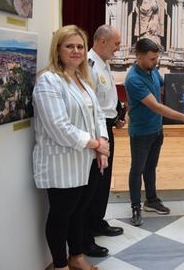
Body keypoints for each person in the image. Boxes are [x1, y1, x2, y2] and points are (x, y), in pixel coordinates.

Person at [32, 25, 109, 270]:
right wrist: (96, 143)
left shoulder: (82, 80)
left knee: (79, 213)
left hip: (87, 160)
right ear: (58, 49)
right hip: (62, 162)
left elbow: (98, 116)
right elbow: (58, 127)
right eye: (70, 46)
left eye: (80, 46)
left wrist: (103, 142)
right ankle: (60, 265)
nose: (76, 51)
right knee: (61, 216)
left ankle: (76, 257)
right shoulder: (48, 81)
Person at [125, 38, 184, 226]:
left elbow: (166, 85)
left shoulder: (152, 71)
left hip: (156, 129)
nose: (155, 62)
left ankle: (151, 200)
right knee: (137, 170)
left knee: (151, 167)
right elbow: (156, 107)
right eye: (152, 59)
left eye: (156, 58)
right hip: (141, 132)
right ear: (139, 56)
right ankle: (136, 207)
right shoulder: (133, 79)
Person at [82, 25, 125, 257]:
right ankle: (86, 233)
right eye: (116, 44)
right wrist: (99, 139)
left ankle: (97, 222)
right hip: (96, 131)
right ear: (102, 41)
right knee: (93, 183)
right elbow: (90, 105)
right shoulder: (89, 65)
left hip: (107, 126)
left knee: (103, 180)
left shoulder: (103, 63)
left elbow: (106, 98)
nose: (118, 49)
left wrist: (117, 116)